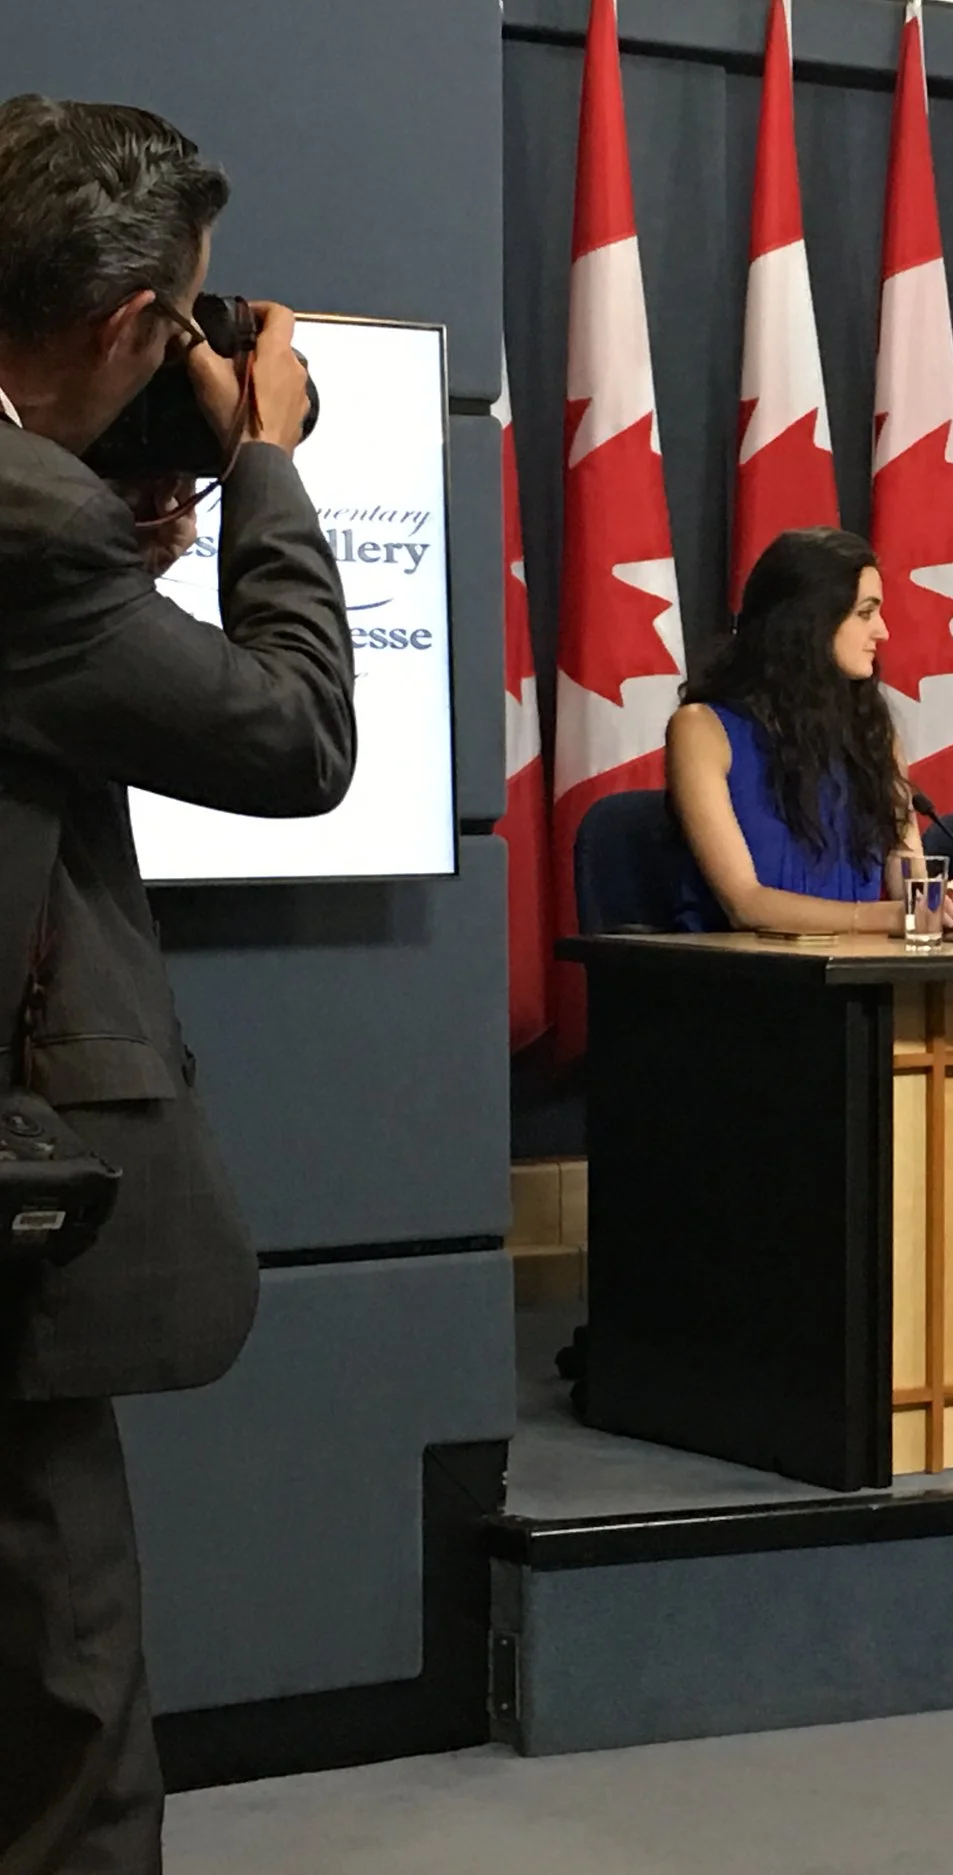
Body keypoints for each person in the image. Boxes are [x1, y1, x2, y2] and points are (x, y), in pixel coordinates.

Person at [0, 97, 355, 1872]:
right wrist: (266, 460)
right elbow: (294, 740)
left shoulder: (44, 527)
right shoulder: (29, 540)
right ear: (134, 325)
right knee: (66, 1717)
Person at [665, 527, 953, 937]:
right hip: (745, 979)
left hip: (860, 973)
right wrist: (887, 918)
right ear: (811, 622)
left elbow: (905, 871)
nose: (883, 631)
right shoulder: (702, 729)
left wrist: (935, 900)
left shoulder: (874, 733)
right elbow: (746, 904)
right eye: (865, 613)